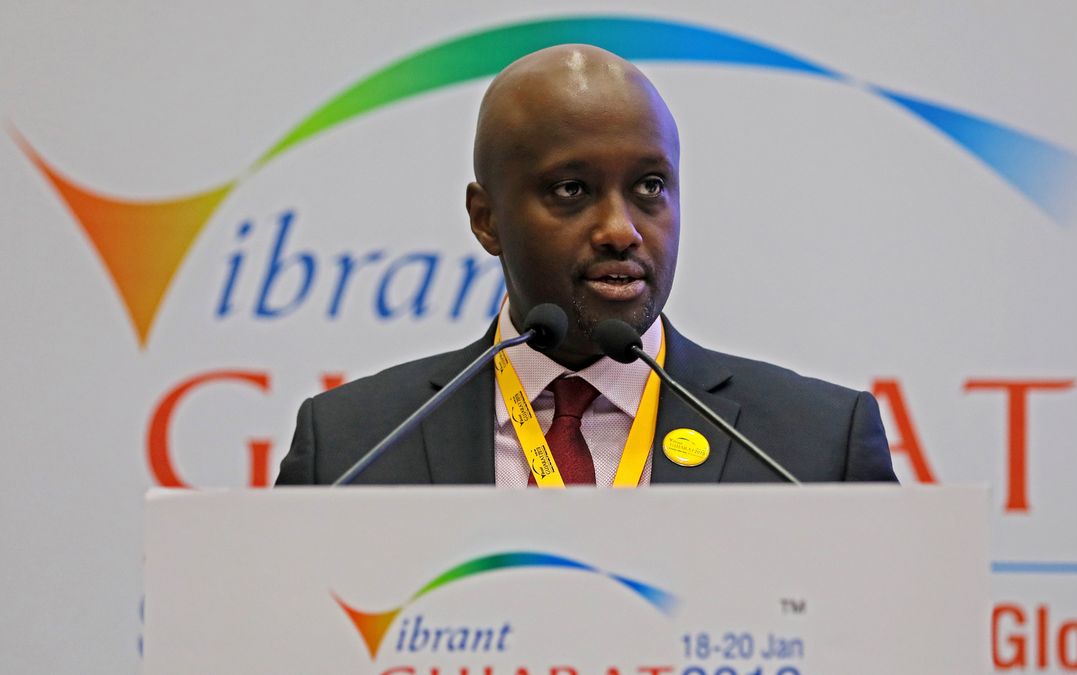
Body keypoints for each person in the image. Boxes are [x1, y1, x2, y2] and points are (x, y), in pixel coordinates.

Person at [276, 44, 896, 486]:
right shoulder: (352, 447)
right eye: (571, 190)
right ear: (486, 219)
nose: (621, 230)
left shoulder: (815, 448)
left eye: (650, 186)